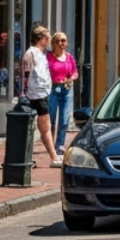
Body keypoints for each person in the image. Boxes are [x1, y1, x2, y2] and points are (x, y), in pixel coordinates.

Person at [20, 26, 60, 167]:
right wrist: (23, 93)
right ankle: (54, 157)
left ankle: (28, 158)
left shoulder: (42, 54)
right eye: (47, 37)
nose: (49, 40)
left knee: (39, 128)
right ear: (41, 39)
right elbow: (24, 74)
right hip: (35, 95)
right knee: (45, 128)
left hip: (43, 93)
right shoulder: (31, 54)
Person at [47, 31, 77, 155]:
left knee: (64, 119)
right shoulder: (48, 57)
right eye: (58, 41)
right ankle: (49, 144)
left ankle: (60, 144)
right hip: (52, 89)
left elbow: (75, 72)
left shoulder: (69, 57)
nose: (61, 43)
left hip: (66, 89)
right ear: (53, 43)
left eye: (63, 40)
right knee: (51, 119)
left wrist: (71, 78)